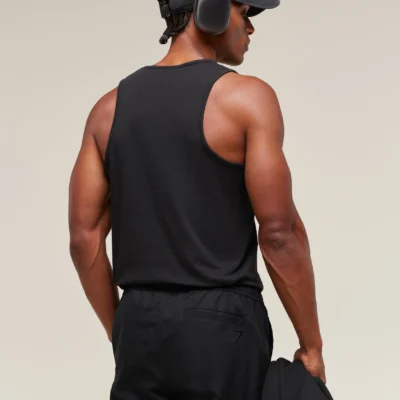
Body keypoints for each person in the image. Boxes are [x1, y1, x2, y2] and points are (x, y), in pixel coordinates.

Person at [68, 1, 326, 399]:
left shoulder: (107, 110)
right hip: (221, 326)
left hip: (140, 323)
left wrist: (120, 329)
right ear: (213, 9)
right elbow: (280, 234)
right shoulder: (247, 98)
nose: (250, 28)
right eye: (245, 13)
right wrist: (311, 346)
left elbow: (83, 239)